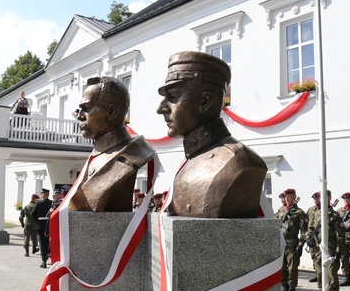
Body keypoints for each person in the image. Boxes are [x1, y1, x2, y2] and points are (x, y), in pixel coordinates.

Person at [156, 51, 267, 218]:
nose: (161, 109)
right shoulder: (190, 159)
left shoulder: (239, 162)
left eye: (172, 97)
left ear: (204, 101)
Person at [68, 76, 155, 212]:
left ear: (111, 112)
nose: (79, 116)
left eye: (86, 108)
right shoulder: (97, 153)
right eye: (79, 110)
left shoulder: (136, 153)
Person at [305, 191, 343, 291]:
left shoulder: (335, 215)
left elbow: (340, 235)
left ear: (330, 198)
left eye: (326, 197)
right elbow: (310, 228)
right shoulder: (316, 214)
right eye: (322, 197)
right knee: (320, 273)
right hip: (318, 249)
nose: (324, 199)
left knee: (331, 273)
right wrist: (308, 239)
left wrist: (337, 251)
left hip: (330, 249)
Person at [275, 188, 308, 291]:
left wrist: (300, 245)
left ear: (294, 197)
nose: (287, 199)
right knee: (282, 267)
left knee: (292, 268)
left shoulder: (299, 213)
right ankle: (285, 287)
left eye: (289, 197)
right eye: (286, 197)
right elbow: (274, 223)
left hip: (292, 243)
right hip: (281, 242)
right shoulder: (281, 210)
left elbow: (304, 231)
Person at [31, 188, 52, 268]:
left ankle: (44, 261)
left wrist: (38, 221)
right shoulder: (52, 203)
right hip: (50, 225)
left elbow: (33, 214)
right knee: (50, 242)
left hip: (41, 226)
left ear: (43, 194)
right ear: (48, 194)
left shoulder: (38, 203)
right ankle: (50, 256)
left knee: (42, 243)